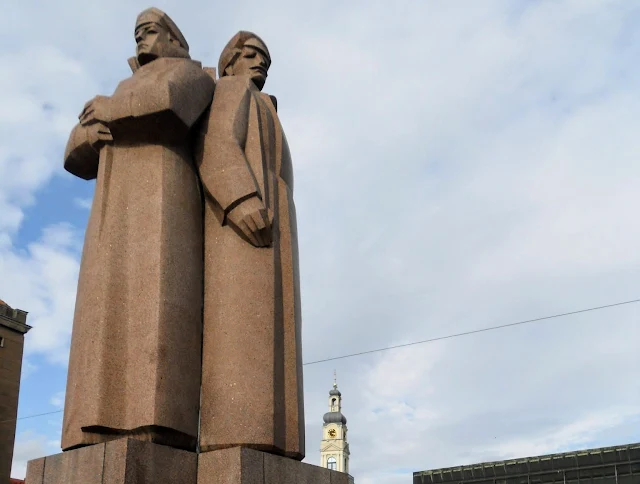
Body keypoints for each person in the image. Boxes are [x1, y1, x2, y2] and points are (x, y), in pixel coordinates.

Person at [62, 7, 215, 452]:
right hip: (112, 210)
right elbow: (74, 151)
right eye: (136, 34)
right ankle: (92, 425)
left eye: (149, 31)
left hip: (164, 203)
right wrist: (91, 133)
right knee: (102, 308)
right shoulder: (121, 89)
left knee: (157, 302)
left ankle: (157, 420)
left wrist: (110, 111)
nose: (140, 40)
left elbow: (170, 103)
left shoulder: (192, 73)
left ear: (174, 38)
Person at [195, 31, 305, 460]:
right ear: (230, 61)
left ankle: (274, 439)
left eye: (266, 59)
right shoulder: (233, 88)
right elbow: (217, 143)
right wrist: (240, 199)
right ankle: (241, 433)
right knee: (242, 332)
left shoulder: (265, 105)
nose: (261, 63)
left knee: (272, 333)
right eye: (253, 54)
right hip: (242, 228)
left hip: (273, 227)